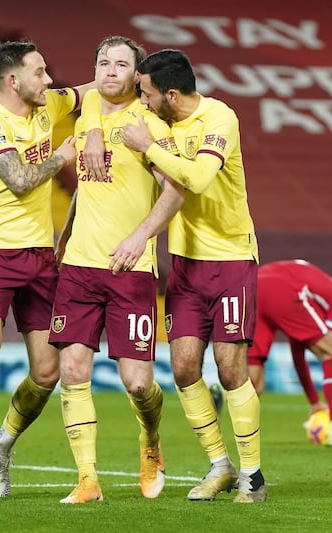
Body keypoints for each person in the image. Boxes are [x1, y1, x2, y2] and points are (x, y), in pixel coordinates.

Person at [0, 40, 95, 506]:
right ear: (14, 81)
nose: (49, 80)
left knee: (47, 373)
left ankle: (3, 441)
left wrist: (135, 77)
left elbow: (89, 91)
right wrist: (63, 157)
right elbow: (20, 180)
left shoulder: (49, 103)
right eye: (40, 73)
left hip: (41, 258)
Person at [120, 49, 265, 503]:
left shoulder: (220, 118)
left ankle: (252, 475)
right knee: (183, 367)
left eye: (146, 93)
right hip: (184, 263)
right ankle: (219, 465)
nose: (140, 101)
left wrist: (150, 148)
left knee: (230, 366)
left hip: (232, 259)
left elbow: (199, 179)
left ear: (172, 94)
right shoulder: (157, 123)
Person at [49, 36, 185, 504]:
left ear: (136, 75)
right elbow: (90, 191)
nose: (110, 71)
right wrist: (64, 235)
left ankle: (150, 441)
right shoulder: (85, 110)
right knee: (72, 369)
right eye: (103, 62)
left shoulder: (150, 125)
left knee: (138, 382)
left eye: (121, 64)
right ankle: (87, 479)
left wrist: (140, 236)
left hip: (130, 267)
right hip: (79, 265)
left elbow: (175, 191)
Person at [246, 259, 332, 447]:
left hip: (253, 286)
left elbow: (297, 353)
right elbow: (330, 355)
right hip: (283, 288)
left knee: (254, 384)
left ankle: (224, 401)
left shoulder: (310, 296)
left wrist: (315, 402)